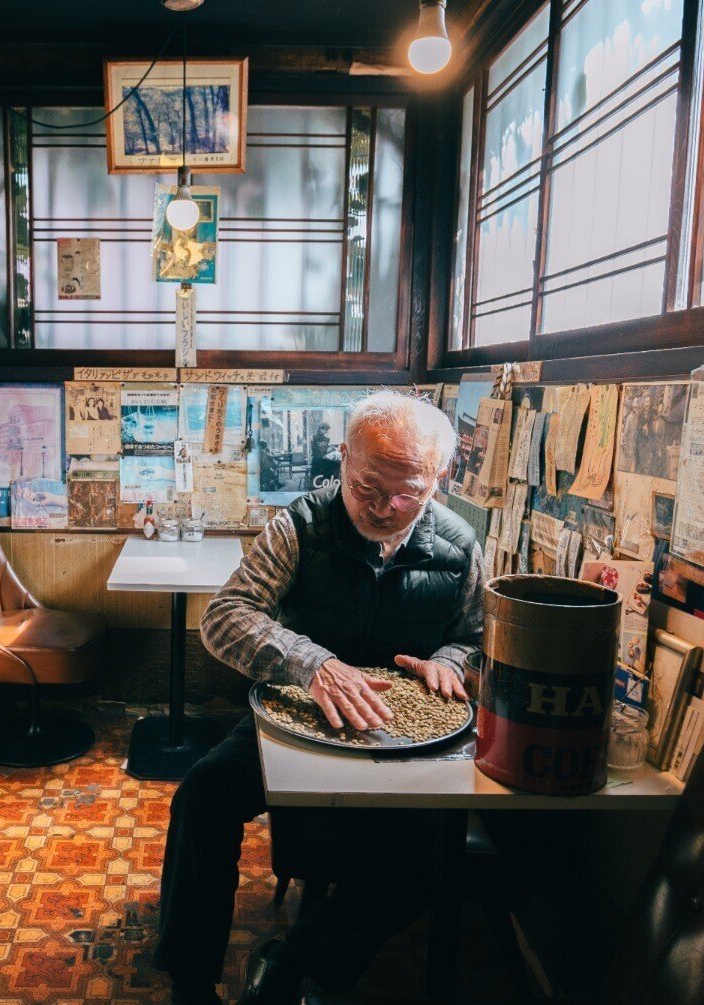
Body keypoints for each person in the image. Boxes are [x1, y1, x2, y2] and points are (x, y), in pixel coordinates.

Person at [152, 391, 484, 1005]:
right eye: (367, 487)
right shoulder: (300, 526)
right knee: (202, 795)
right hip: (292, 718)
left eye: (410, 492)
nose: (387, 509)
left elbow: (476, 639)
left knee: (431, 853)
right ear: (343, 458)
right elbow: (224, 616)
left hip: (402, 739)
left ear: (440, 477)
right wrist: (310, 663)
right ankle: (191, 981)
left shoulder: (460, 547)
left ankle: (293, 964)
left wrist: (451, 661)